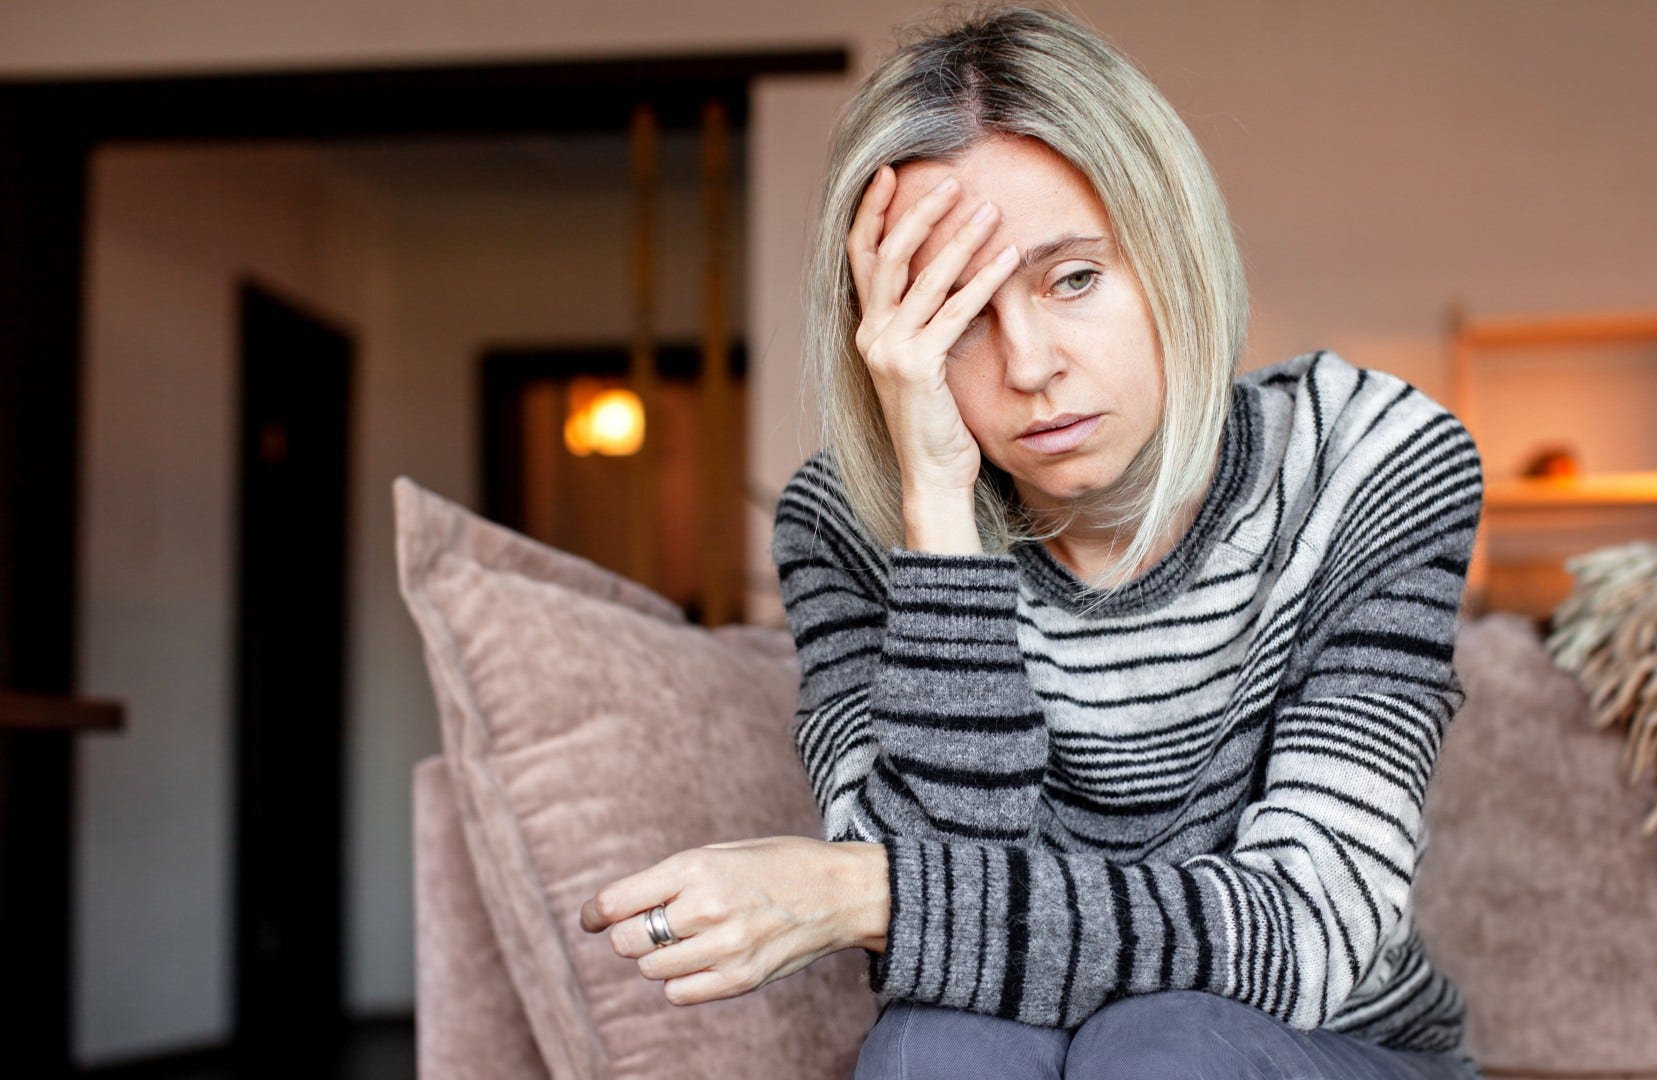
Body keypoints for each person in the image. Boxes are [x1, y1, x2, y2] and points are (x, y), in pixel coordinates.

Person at [581, 5, 1487, 1078]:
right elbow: (934, 960)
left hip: (1335, 1048)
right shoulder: (846, 524)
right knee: (937, 1041)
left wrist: (865, 891)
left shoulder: (1371, 461)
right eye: (958, 313)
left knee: (1163, 1044)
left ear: (1172, 251)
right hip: (1009, 1036)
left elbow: (1310, 933)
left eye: (1074, 279)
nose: (1027, 364)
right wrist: (937, 513)